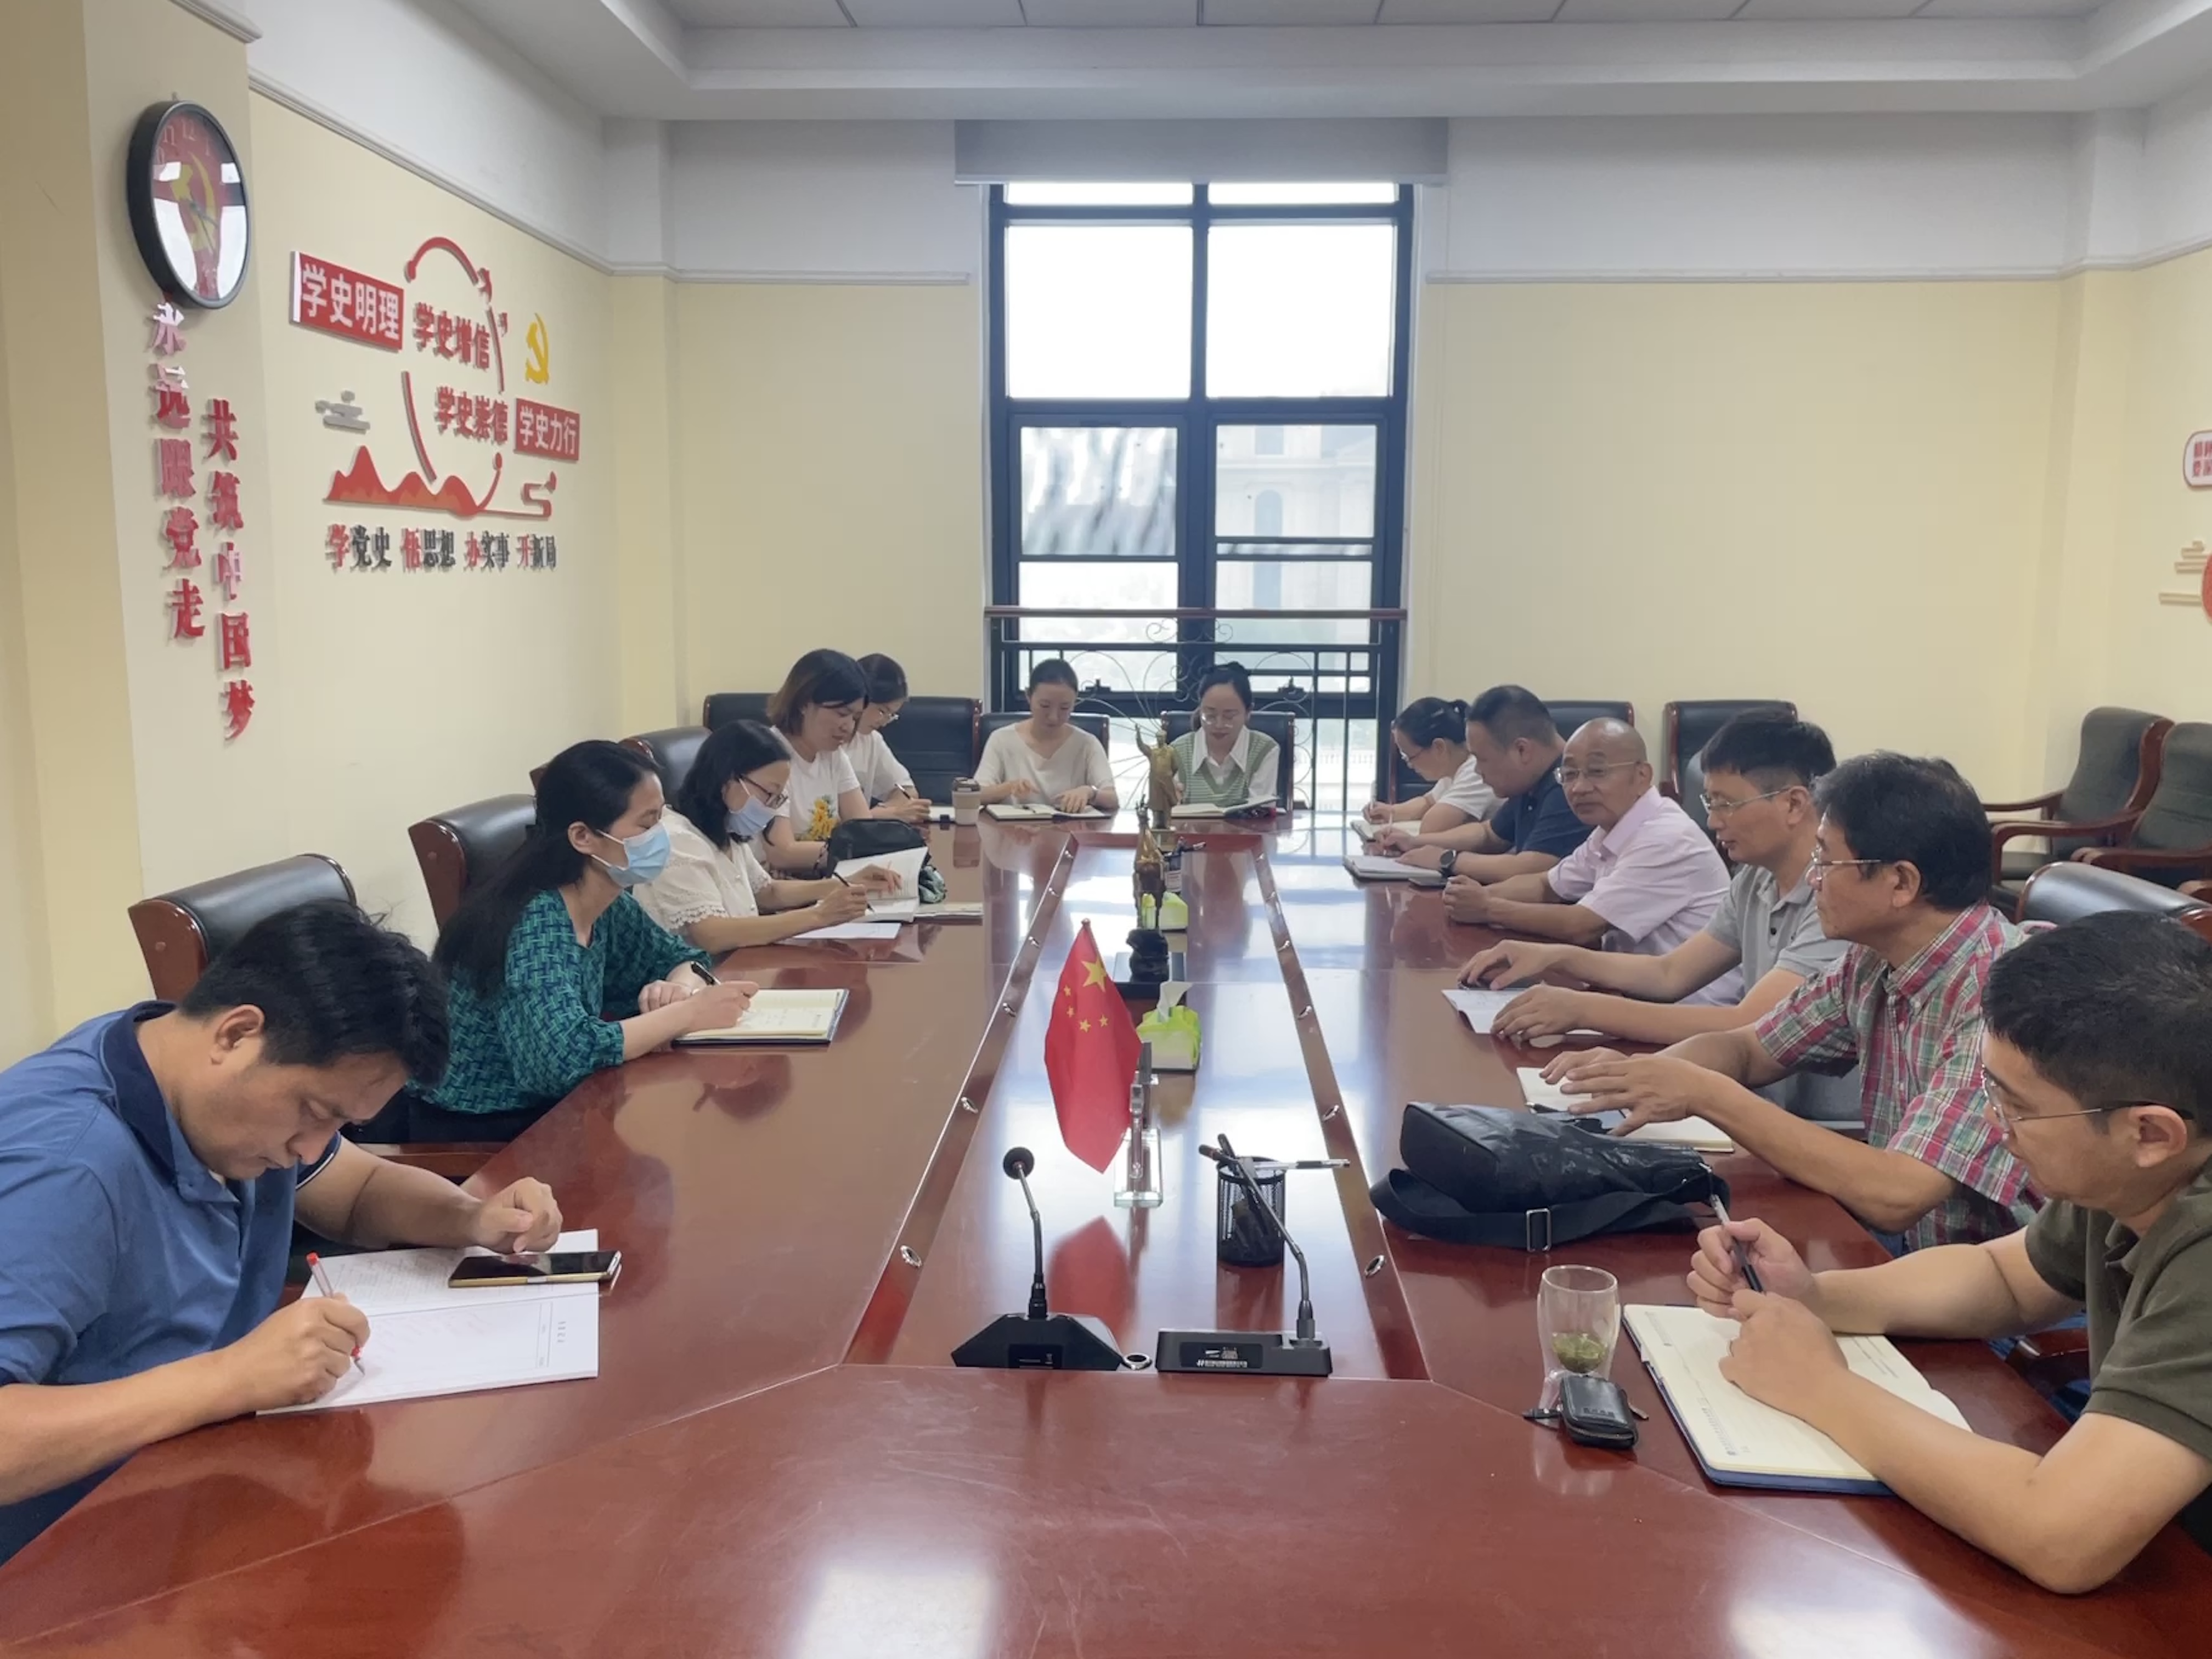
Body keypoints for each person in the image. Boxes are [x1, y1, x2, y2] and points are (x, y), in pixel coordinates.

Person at [0, 902, 565, 1563]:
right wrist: (229, 1378)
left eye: (339, 1125)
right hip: (65, 1561)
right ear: (237, 1034)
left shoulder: (191, 1074)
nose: (310, 1150)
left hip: (203, 1488)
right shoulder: (66, 1168)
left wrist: (469, 1217)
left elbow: (357, 1191)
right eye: (314, 1113)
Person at [1687, 913, 2212, 1590]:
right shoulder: (2131, 1172)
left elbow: (2061, 1534)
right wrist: (1813, 1296)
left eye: (2016, 1107)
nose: (1994, 1122)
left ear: (2151, 1134)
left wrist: (1819, 1385)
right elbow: (2006, 1277)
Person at [1554, 753, 2033, 1251]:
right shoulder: (1872, 961)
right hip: (1913, 1251)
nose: (1814, 878)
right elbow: (1749, 1049)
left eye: (1826, 860)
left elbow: (1898, 1194)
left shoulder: (2001, 995)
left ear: (1901, 883)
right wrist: (1646, 1077)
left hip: (1993, 1283)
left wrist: (1704, 1093)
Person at [1460, 714, 1857, 1121]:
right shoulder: (1755, 879)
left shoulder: (1840, 900)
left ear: (1793, 804)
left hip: (1818, 1129)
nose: (1713, 821)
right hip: (1751, 1101)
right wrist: (1558, 958)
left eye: (1726, 804)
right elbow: (1670, 973)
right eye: (1710, 803)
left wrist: (1583, 1010)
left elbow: (1751, 1024)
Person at [417, 741, 759, 1141]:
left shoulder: (607, 901)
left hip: (565, 1108)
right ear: (582, 837)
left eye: (662, 816)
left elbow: (685, 956)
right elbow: (557, 1061)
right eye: (647, 824)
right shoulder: (536, 922)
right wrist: (687, 1014)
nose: (662, 836)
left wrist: (679, 988)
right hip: (484, 1128)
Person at [1440, 718, 1726, 956]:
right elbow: (1546, 885)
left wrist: (1488, 908)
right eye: (1569, 775)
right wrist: (1471, 898)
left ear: (1642, 775)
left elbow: (1582, 925)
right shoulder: (1610, 828)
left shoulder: (1665, 837)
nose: (1578, 788)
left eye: (1597, 772)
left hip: (1686, 1003)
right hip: (1634, 987)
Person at [637, 720, 906, 950]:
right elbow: (712, 935)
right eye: (769, 793)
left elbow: (768, 892)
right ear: (728, 780)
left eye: (779, 798)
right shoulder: (677, 841)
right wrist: (819, 915)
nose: (771, 807)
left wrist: (845, 883)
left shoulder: (725, 828)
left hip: (739, 967)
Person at [1368, 685, 1587, 878]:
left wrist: (1448, 860)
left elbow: (1532, 867)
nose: (1476, 770)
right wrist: (1414, 843)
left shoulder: (1570, 785)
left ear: (1522, 750)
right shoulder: (1531, 781)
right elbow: (1489, 834)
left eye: (1482, 759)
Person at [975, 659, 1119, 815]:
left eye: (1064, 708)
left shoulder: (1087, 744)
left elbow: (1112, 799)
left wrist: (1090, 792)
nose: (1053, 717)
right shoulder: (1002, 739)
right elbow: (976, 795)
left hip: (1071, 829)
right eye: (1045, 706)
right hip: (1015, 828)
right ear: (1029, 696)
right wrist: (1008, 788)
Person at [1360, 697, 1496, 832]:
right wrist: (1391, 812)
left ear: (1439, 748)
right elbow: (1428, 802)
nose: (1409, 765)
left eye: (1410, 757)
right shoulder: (1454, 769)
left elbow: (1432, 827)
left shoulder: (1476, 772)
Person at [1169, 662, 1280, 810]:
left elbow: (1261, 813)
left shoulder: (1264, 750)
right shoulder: (1177, 751)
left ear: (1248, 712)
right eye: (1210, 715)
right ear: (1200, 709)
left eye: (1229, 716)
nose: (1219, 725)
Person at [847, 653, 933, 823]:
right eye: (882, 711)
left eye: (891, 715)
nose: (885, 722)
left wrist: (887, 811)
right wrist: (879, 815)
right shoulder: (825, 742)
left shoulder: (872, 740)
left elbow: (907, 792)